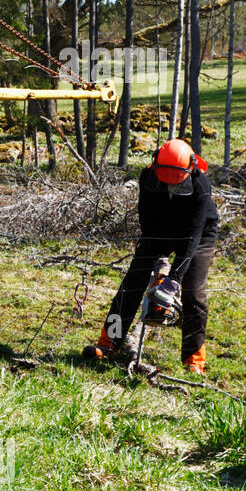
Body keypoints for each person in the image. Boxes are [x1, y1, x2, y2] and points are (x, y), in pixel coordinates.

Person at [85, 138, 219, 373]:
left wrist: (173, 280)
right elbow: (147, 221)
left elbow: (192, 238)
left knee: (193, 291)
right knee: (130, 285)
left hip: (198, 234)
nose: (171, 185)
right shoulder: (147, 178)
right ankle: (108, 343)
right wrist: (159, 263)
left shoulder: (201, 185)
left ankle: (194, 359)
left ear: (190, 168)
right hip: (158, 232)